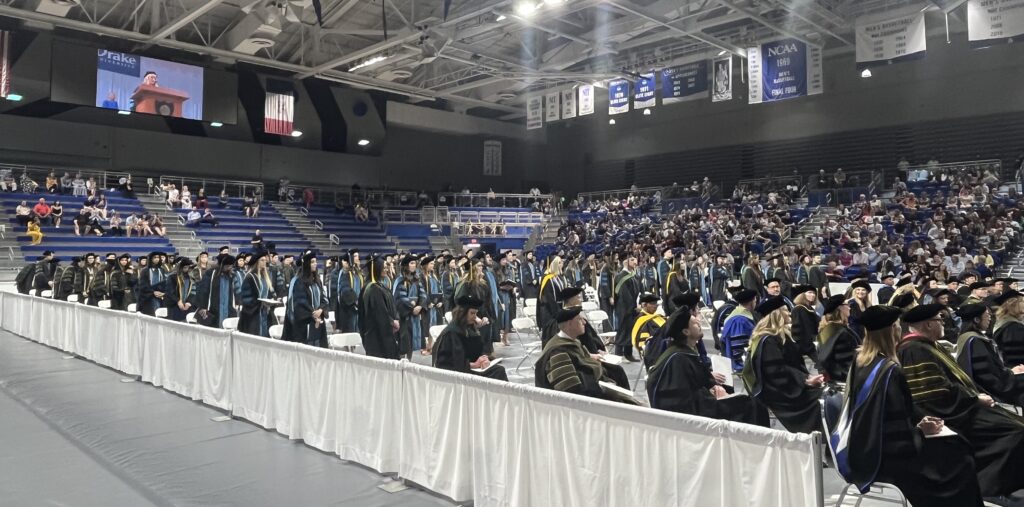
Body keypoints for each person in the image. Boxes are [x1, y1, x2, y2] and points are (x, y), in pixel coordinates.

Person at [833, 305, 984, 507]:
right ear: (891, 331)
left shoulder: (861, 362)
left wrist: (919, 420)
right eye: (896, 326)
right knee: (960, 459)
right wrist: (920, 431)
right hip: (886, 457)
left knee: (954, 447)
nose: (899, 330)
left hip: (862, 447)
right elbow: (896, 431)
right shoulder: (889, 370)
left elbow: (889, 414)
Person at [897, 304, 1024, 497]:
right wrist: (975, 399)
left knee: (1017, 425)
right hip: (949, 414)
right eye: (940, 319)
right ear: (929, 325)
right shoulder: (914, 349)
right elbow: (934, 395)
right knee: (1015, 432)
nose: (944, 323)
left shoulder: (928, 345)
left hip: (962, 407)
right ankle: (988, 486)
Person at [647, 305, 769, 426]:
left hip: (697, 404)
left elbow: (694, 382)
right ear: (686, 331)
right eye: (695, 323)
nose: (700, 323)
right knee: (752, 405)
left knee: (745, 401)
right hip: (688, 416)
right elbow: (681, 399)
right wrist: (712, 394)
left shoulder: (682, 352)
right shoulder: (678, 358)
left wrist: (711, 387)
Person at [741, 297, 825, 433]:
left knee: (822, 393)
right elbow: (776, 371)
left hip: (786, 384)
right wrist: (805, 380)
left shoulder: (779, 336)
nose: (790, 313)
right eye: (786, 310)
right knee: (816, 397)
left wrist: (806, 377)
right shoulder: (767, 340)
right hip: (776, 390)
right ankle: (817, 436)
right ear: (777, 315)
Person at [535, 307, 640, 405]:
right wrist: (603, 389)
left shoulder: (571, 341)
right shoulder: (558, 352)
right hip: (583, 405)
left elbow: (581, 360)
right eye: (580, 320)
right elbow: (570, 389)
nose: (584, 322)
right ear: (570, 324)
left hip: (596, 387)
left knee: (617, 371)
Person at [956, 301, 1024, 407]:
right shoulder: (975, 341)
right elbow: (988, 376)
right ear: (976, 319)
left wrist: (1010, 371)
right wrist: (1012, 374)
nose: (989, 318)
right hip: (992, 390)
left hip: (996, 382)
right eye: (987, 315)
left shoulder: (967, 337)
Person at [432, 294, 509, 381]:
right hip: (455, 373)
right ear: (462, 313)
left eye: (476, 313)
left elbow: (477, 350)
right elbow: (453, 362)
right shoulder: (452, 332)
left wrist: (484, 358)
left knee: (498, 369)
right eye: (472, 313)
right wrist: (474, 364)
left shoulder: (469, 328)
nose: (475, 317)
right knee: (498, 372)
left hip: (471, 368)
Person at [359, 255, 400, 359]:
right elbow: (379, 312)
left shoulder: (381, 286)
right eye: (384, 267)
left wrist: (395, 319)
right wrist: (392, 322)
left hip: (385, 331)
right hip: (376, 335)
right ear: (377, 268)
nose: (386, 269)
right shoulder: (372, 288)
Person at [816, 295, 860, 383]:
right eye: (847, 305)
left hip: (838, 376)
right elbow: (824, 358)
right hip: (843, 377)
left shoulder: (831, 328)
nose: (849, 308)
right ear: (840, 308)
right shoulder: (838, 331)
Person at [393, 255, 425, 358]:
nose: (414, 265)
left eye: (415, 263)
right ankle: (401, 365)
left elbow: (423, 295)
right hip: (404, 317)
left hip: (415, 316)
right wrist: (412, 309)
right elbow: (400, 298)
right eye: (411, 263)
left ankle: (409, 364)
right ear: (406, 266)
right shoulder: (400, 280)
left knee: (411, 344)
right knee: (404, 343)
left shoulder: (416, 280)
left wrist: (420, 306)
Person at [613, 253, 643, 361]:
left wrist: (639, 303)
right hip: (624, 308)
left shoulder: (633, 275)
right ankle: (618, 354)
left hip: (631, 307)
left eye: (635, 260)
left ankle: (628, 354)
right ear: (625, 262)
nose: (635, 262)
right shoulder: (621, 276)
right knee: (623, 331)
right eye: (632, 260)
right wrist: (633, 307)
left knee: (630, 331)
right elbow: (624, 295)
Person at [239, 252, 276, 337]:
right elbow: (245, 297)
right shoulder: (250, 277)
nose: (265, 262)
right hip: (252, 314)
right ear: (257, 262)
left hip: (265, 312)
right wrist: (259, 303)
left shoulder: (266, 277)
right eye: (262, 260)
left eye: (265, 260)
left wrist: (272, 301)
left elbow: (270, 293)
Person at [195, 254, 238, 328]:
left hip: (228, 308)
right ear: (221, 265)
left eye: (231, 266)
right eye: (227, 266)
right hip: (213, 308)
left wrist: (237, 303)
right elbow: (203, 291)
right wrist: (203, 307)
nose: (229, 268)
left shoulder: (232, 276)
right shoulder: (210, 274)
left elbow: (236, 291)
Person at [721, 289, 757, 371]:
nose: (755, 303)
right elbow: (738, 344)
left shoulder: (736, 314)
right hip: (741, 364)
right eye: (755, 300)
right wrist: (742, 364)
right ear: (751, 302)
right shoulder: (739, 320)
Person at [992, 289, 1024, 367]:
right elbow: (1016, 355)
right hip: (1018, 371)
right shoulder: (1013, 328)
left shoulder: (1004, 322)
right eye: (1022, 301)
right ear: (1012, 304)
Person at [789, 284, 820, 364]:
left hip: (810, 342)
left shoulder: (809, 308)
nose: (813, 295)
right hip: (805, 343)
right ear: (802, 295)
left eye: (814, 293)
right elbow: (801, 328)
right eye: (809, 292)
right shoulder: (799, 309)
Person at [630, 293, 665, 360]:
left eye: (656, 304)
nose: (655, 306)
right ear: (644, 305)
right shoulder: (641, 319)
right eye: (652, 303)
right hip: (653, 351)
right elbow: (642, 341)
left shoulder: (655, 317)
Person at [137, 251, 166, 316]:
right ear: (150, 259)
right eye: (154, 257)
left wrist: (163, 293)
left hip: (160, 296)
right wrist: (153, 292)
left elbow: (164, 282)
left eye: (158, 257)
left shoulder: (162, 270)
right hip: (148, 296)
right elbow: (143, 285)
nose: (157, 259)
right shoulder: (145, 270)